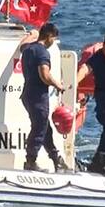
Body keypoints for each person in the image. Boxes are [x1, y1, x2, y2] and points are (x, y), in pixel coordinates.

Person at [19, 23, 68, 172]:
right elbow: (44, 75)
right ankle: (30, 161)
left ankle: (56, 158)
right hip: (38, 96)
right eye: (54, 38)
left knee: (45, 128)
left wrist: (32, 35)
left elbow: (22, 45)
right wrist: (58, 85)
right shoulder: (42, 53)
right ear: (49, 36)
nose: (53, 42)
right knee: (39, 128)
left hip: (27, 95)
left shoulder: (28, 49)